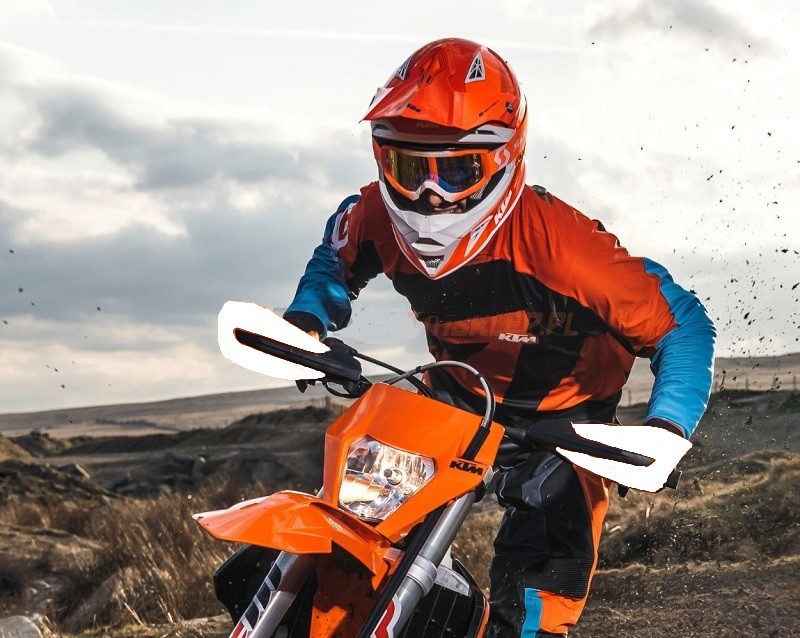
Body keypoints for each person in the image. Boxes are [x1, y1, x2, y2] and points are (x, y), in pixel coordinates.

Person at [282, 38, 716, 638]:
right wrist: (308, 320)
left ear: (504, 158)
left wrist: (667, 426)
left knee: (541, 582)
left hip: (564, 421)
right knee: (352, 527)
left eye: (456, 171)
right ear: (383, 159)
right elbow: (337, 256)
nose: (430, 196)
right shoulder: (375, 214)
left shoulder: (565, 247)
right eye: (409, 169)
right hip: (459, 395)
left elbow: (682, 324)